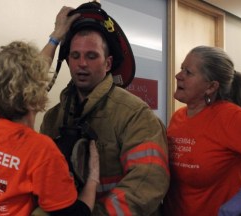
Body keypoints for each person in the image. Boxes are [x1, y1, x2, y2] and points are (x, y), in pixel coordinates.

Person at [40, 2, 170, 215]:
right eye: (75, 56)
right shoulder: (54, 117)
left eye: (92, 56)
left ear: (108, 64)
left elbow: (146, 183)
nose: (82, 63)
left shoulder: (135, 114)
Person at [0, 7, 100, 216]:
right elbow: (76, 214)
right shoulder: (41, 151)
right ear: (34, 91)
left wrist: (55, 37)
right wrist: (93, 178)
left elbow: (23, 80)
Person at [162, 45, 241, 216]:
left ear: (211, 87)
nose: (178, 76)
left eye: (188, 72)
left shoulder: (230, 118)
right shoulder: (178, 117)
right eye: (181, 68)